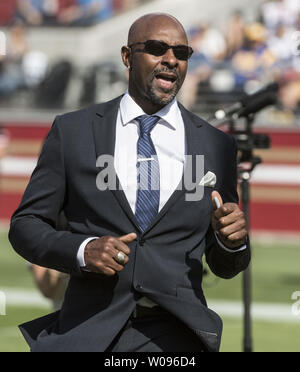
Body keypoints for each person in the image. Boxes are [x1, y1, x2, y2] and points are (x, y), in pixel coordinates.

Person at [9, 13, 250, 352]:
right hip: (86, 329)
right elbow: (25, 226)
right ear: (127, 56)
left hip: (177, 337)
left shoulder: (216, 145)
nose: (170, 60)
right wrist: (83, 250)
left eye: (181, 53)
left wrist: (232, 242)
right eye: (156, 48)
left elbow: (225, 264)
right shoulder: (73, 131)